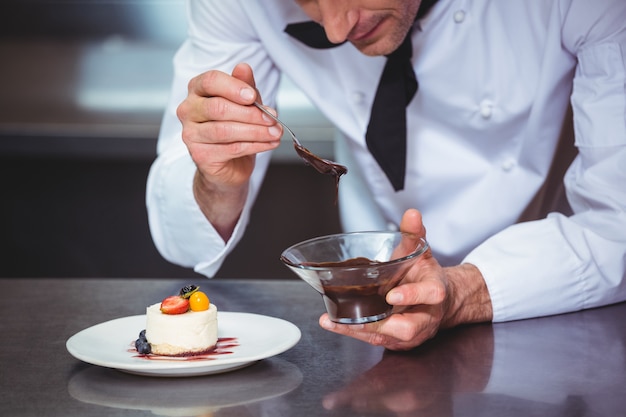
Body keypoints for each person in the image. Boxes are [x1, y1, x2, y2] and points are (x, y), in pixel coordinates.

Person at [146, 0, 626, 350]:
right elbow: (182, 244)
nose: (336, 31)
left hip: (547, 303)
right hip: (371, 330)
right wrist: (216, 180)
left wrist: (461, 293)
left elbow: (617, 225)